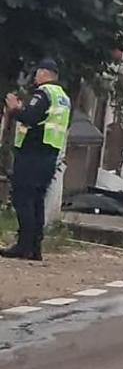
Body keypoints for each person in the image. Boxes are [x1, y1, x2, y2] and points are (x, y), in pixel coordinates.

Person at [1, 59, 71, 261]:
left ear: (43, 73)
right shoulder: (63, 97)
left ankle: (23, 246)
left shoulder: (44, 93)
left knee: (23, 199)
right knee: (37, 200)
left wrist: (15, 109)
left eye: (37, 73)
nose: (35, 77)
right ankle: (34, 247)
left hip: (33, 153)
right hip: (49, 155)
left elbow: (31, 117)